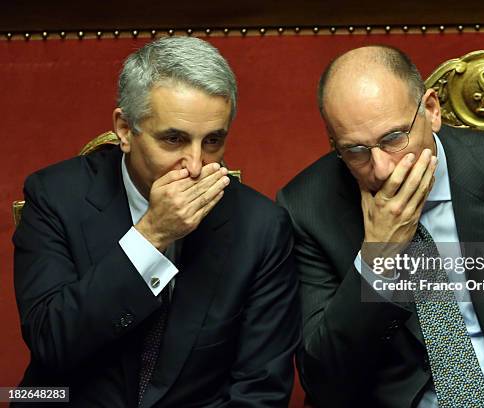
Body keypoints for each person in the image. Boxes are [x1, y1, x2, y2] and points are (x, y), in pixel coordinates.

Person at [277, 45, 484, 407]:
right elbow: (324, 379)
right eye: (355, 151)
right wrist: (379, 259)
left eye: (393, 139)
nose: (381, 168)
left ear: (431, 111)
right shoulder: (307, 209)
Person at [13, 36, 300, 407]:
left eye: (213, 141)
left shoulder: (261, 225)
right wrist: (150, 237)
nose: (196, 165)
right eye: (174, 139)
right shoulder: (54, 195)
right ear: (124, 129)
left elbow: (260, 390)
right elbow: (51, 342)